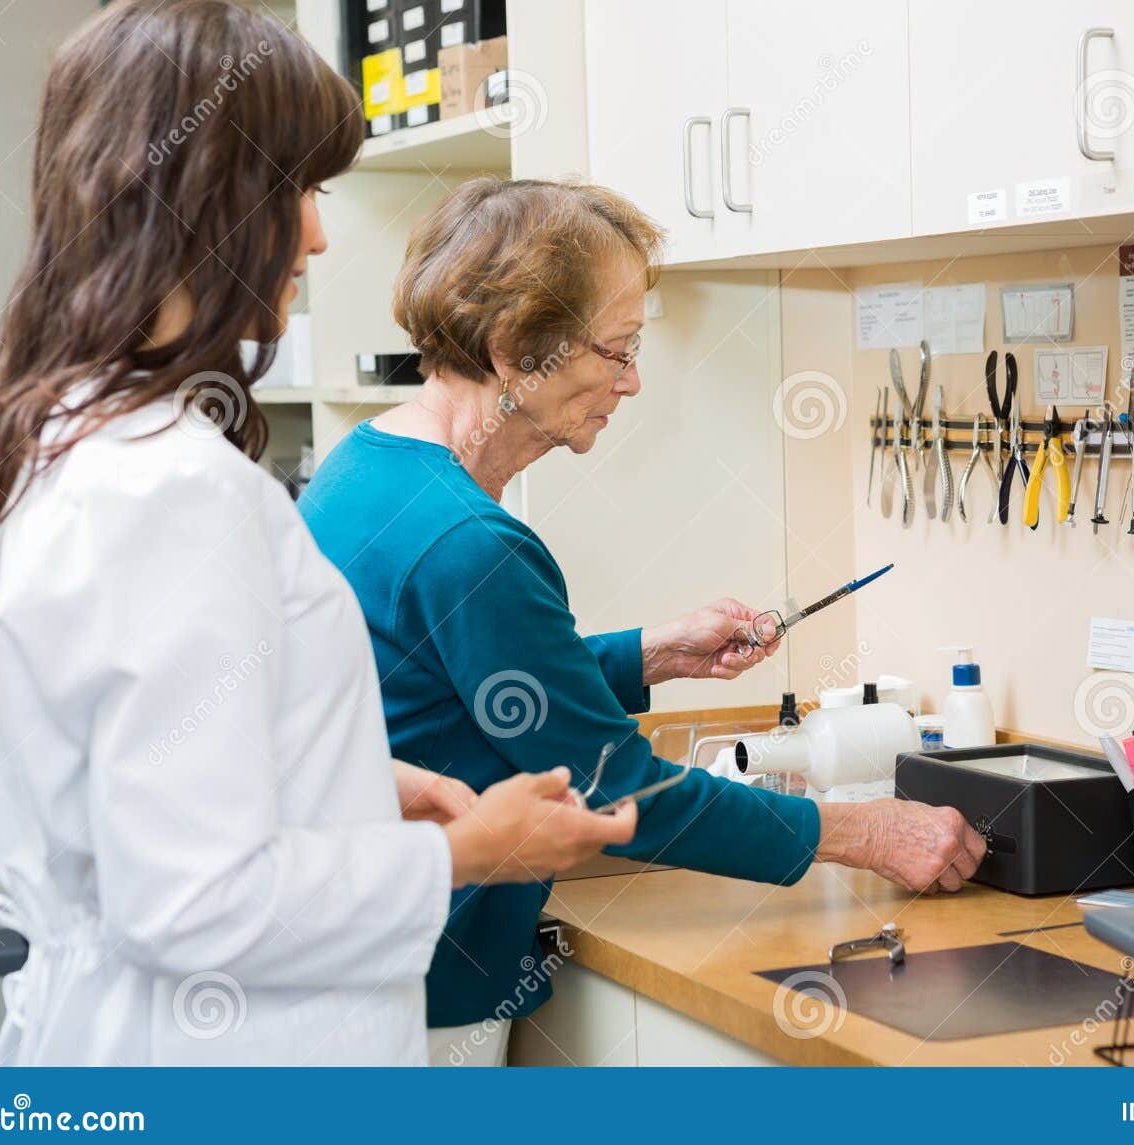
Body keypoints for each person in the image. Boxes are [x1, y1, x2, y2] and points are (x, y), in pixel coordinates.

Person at [0, 0, 633, 1066]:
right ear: (208, 201)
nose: (320, 232)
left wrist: (343, 781)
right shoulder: (171, 494)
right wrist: (474, 851)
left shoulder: (20, 453)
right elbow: (192, 902)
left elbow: (92, 789)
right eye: (298, 190)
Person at [300, 177, 988, 1066]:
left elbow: (455, 680)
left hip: (354, 958)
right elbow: (619, 791)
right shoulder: (472, 544)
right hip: (425, 985)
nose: (631, 381)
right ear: (518, 351)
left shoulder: (365, 469)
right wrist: (869, 832)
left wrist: (649, 654)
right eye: (617, 349)